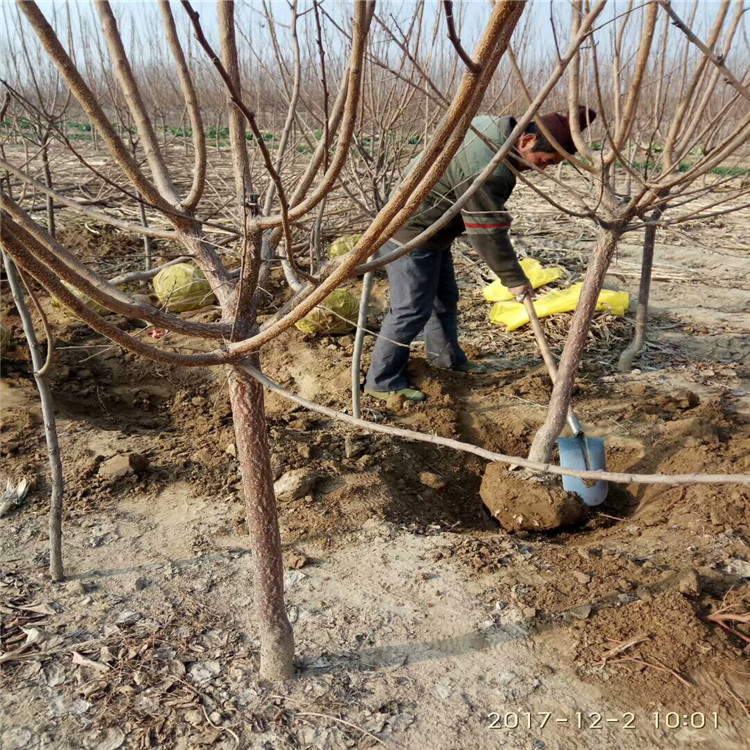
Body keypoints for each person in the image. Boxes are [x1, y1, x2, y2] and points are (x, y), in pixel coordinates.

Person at [364, 106, 597, 402]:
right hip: (409, 232)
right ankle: (382, 382)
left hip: (430, 229)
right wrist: (513, 278)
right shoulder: (491, 170)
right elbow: (487, 232)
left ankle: (447, 360)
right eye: (545, 161)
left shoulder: (490, 126)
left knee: (444, 299)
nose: (543, 169)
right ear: (526, 141)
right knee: (410, 310)